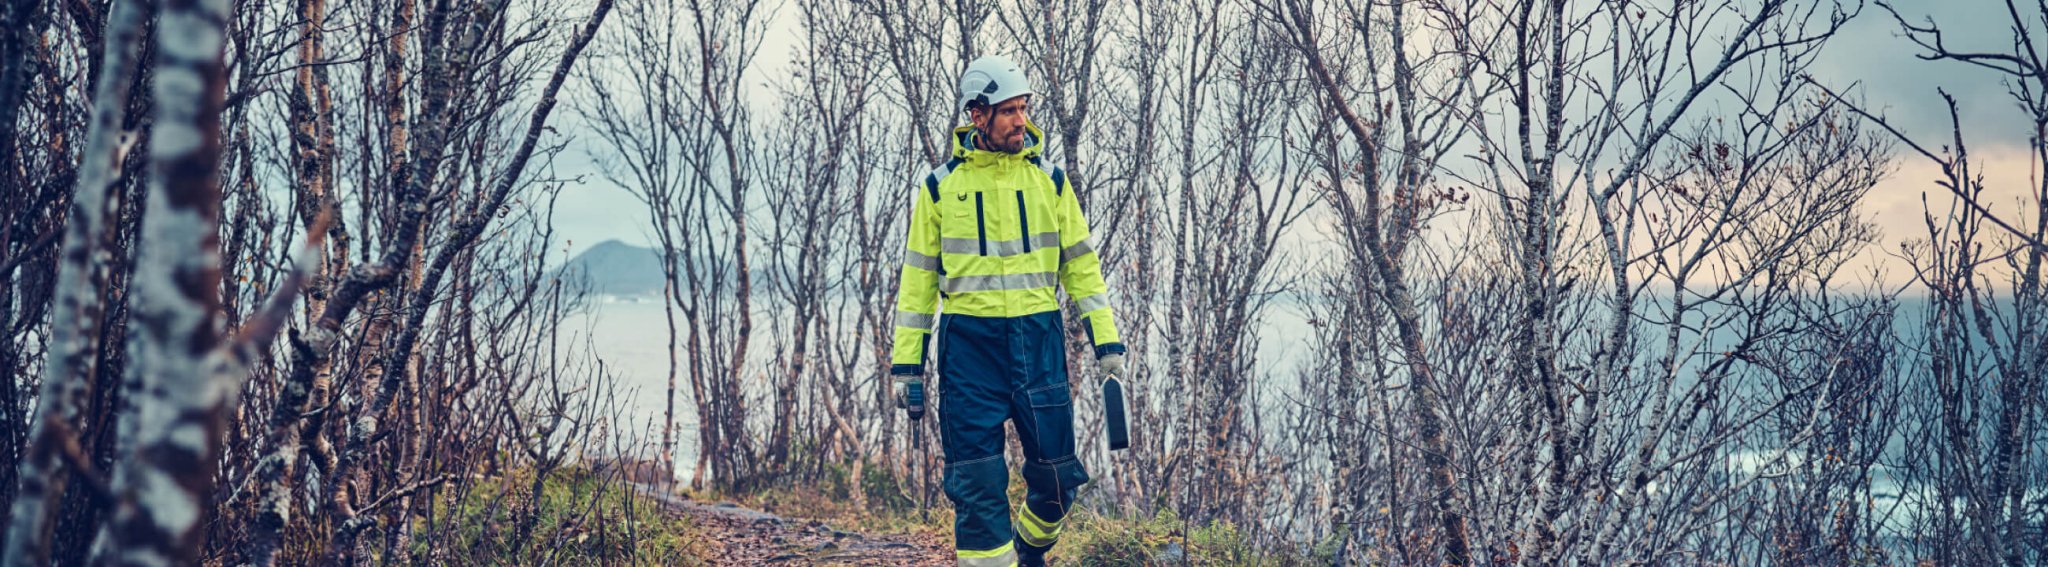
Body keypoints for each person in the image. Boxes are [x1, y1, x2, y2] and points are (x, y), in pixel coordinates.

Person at [889, 54, 1128, 567]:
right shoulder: (938, 189)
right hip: (968, 352)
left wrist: (1107, 344)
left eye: (1024, 108)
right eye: (1009, 111)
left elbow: (1082, 270)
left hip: (1037, 342)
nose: (1022, 120)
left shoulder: (1052, 182)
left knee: (1061, 482)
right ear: (978, 116)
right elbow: (917, 285)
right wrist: (907, 367)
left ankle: (1028, 549)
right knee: (977, 488)